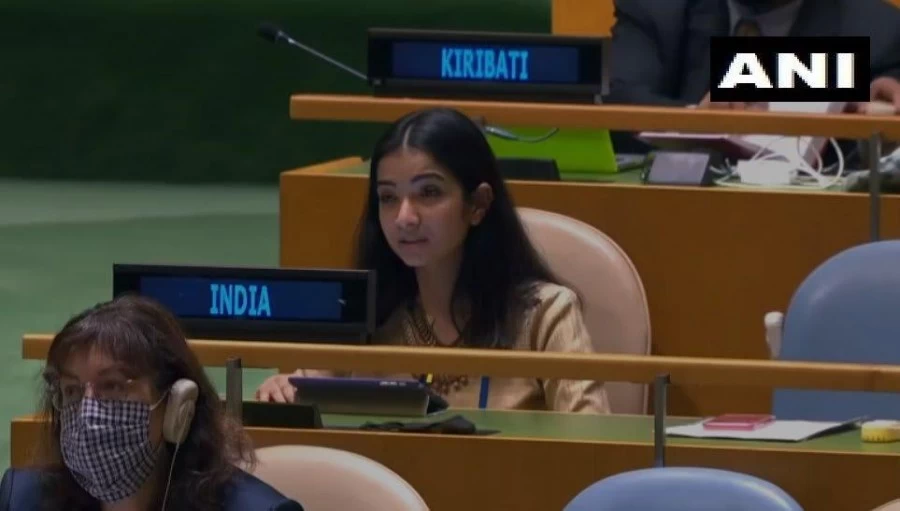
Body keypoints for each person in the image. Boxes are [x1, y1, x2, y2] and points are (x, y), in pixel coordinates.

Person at [257, 107, 610, 414]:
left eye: (429, 192)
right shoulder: (370, 316)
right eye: (388, 197)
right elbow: (304, 390)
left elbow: (592, 445)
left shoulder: (545, 314)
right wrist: (283, 389)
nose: (404, 218)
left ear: (478, 204)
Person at [0, 295, 303, 511]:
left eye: (113, 386)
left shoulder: (258, 509)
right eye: (72, 391)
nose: (87, 413)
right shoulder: (24, 501)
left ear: (178, 406)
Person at [607, 0, 900, 112]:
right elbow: (622, 98)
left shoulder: (877, 30)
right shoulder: (656, 10)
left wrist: (874, 110)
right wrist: (696, 119)